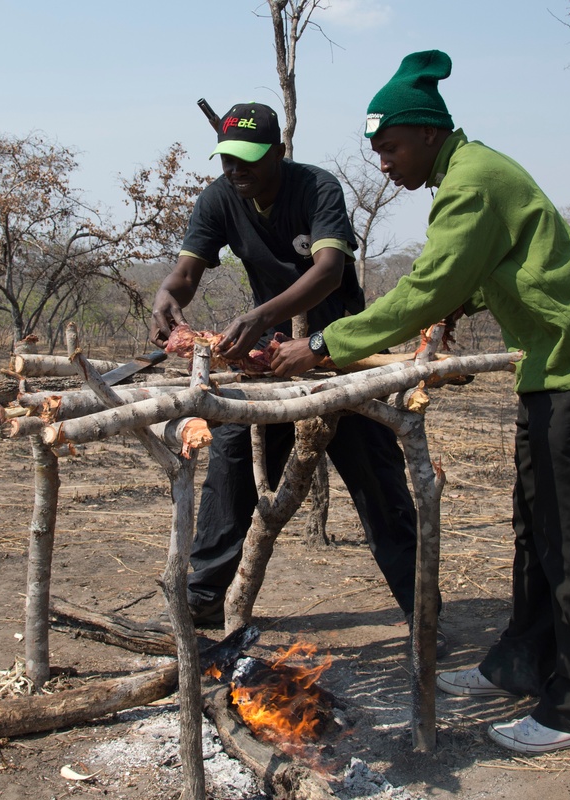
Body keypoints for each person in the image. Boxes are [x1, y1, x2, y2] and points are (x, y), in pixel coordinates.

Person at [271, 51, 570, 755]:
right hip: (549, 366)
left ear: (428, 133)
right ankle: (520, 663)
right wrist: (450, 314)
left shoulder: (470, 183)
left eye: (389, 147)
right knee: (536, 528)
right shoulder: (466, 176)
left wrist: (323, 345)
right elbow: (480, 273)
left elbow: (431, 283)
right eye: (375, 150)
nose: (382, 163)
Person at [150, 101, 447, 657]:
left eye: (250, 160)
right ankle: (202, 600)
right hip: (270, 360)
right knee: (234, 465)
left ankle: (424, 616)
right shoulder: (220, 197)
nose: (237, 171)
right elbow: (188, 270)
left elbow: (329, 269)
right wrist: (170, 293)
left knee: (380, 487)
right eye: (228, 160)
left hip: (340, 355)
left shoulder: (316, 189)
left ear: (279, 154)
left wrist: (264, 316)